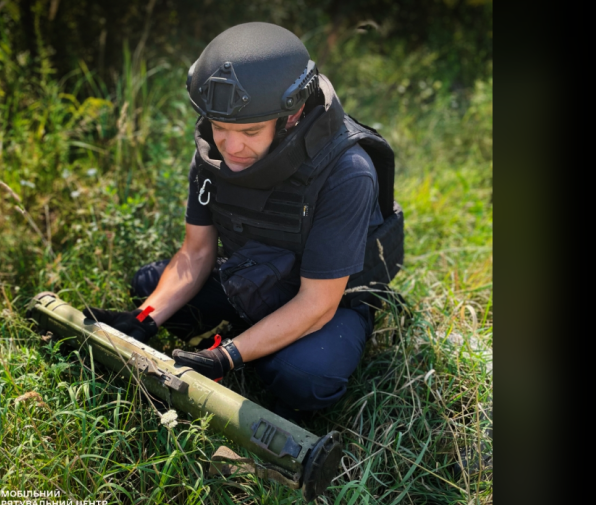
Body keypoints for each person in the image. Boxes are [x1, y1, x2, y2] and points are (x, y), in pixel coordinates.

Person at [83, 22, 404, 421]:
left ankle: (270, 354)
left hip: (327, 300)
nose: (231, 147)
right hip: (253, 277)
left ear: (293, 116)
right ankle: (254, 342)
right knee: (147, 290)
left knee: (301, 377)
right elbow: (197, 252)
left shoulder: (345, 171)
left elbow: (318, 304)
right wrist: (143, 320)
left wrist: (225, 357)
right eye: (220, 128)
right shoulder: (214, 152)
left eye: (250, 132)